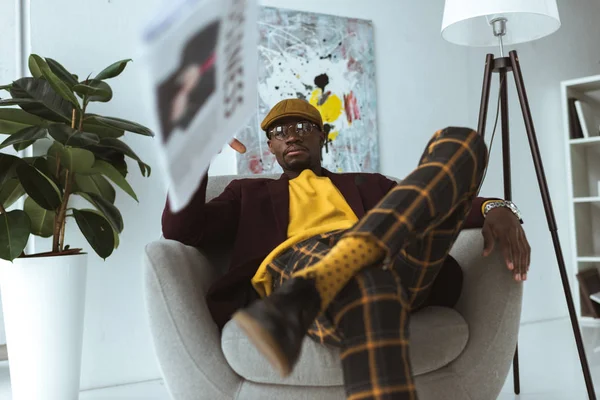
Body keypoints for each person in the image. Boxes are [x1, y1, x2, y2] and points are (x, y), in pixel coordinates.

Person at [161, 98, 530, 400]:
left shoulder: (369, 184)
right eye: (279, 131)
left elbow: (431, 202)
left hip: (391, 262)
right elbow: (182, 229)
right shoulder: (247, 192)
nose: (291, 136)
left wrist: (495, 207)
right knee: (371, 288)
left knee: (461, 143)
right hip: (300, 260)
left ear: (322, 137)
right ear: (270, 146)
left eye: (304, 127)